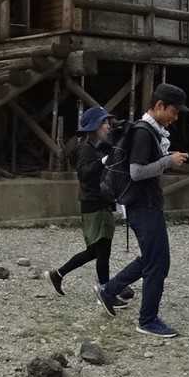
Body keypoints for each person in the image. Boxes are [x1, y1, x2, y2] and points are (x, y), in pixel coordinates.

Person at [97, 82, 189, 338]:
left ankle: (108, 291)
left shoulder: (149, 131)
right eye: (174, 111)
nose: (175, 117)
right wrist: (167, 161)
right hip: (143, 205)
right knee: (158, 263)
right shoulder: (143, 132)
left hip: (143, 204)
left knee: (151, 258)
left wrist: (166, 159)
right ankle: (147, 320)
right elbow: (136, 172)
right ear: (159, 105)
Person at [47, 107, 127, 298]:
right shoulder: (85, 149)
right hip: (94, 204)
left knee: (94, 251)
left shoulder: (96, 147)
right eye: (104, 123)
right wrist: (104, 161)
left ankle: (58, 274)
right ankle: (106, 291)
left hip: (99, 202)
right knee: (103, 251)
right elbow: (84, 174)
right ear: (95, 126)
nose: (108, 126)